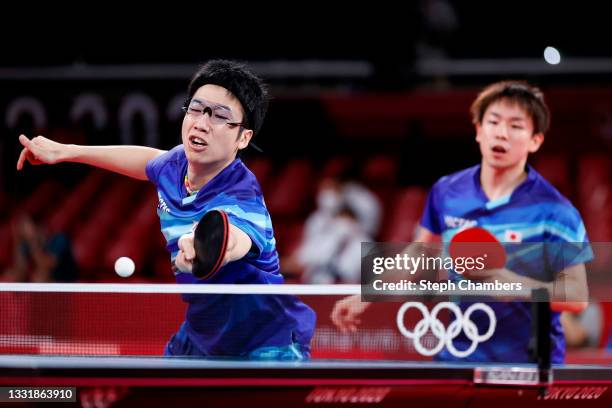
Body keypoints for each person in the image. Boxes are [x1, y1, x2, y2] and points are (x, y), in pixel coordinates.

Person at [16, 59, 316, 360]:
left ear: (243, 137)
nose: (201, 123)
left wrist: (204, 246)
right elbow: (147, 161)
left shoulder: (241, 195)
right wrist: (67, 151)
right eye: (196, 109)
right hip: (204, 334)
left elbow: (235, 237)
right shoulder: (176, 165)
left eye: (220, 116)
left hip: (266, 342)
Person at [332, 81, 591, 363]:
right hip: (458, 355)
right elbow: (420, 253)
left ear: (535, 140)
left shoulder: (555, 211)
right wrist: (369, 293)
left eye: (516, 126)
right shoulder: (447, 191)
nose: (502, 134)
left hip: (528, 363)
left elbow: (576, 296)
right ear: (479, 130)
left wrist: (513, 285)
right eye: (493, 122)